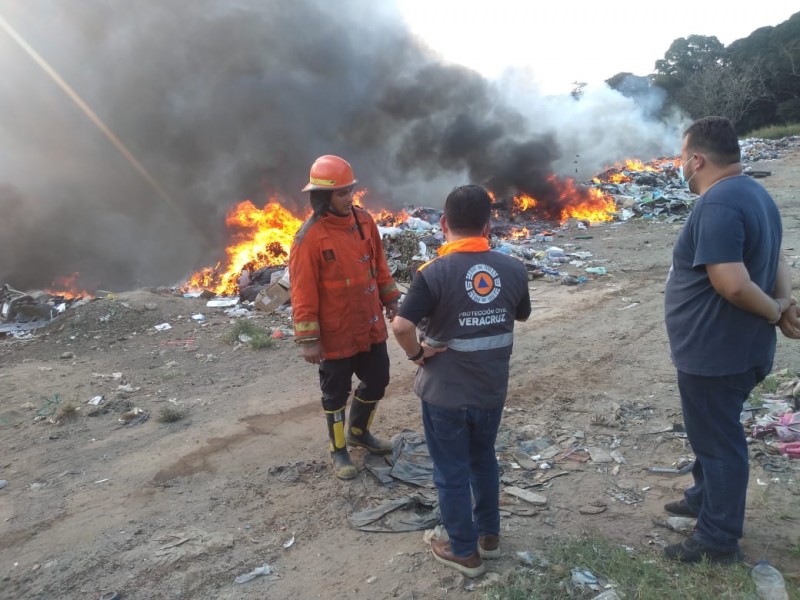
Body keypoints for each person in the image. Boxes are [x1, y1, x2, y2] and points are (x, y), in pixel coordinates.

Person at [663, 116, 800, 564]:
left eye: (682, 159)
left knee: (719, 442)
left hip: (716, 352)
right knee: (711, 433)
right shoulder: (755, 192)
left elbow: (732, 284)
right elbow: (776, 253)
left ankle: (717, 540)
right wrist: (783, 299)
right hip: (734, 348)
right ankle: (704, 497)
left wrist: (776, 310)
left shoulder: (718, 203)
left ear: (696, 159)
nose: (680, 167)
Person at [392, 185, 531, 577]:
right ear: (488, 225)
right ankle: (489, 536)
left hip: (445, 396)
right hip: (490, 391)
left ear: (443, 223)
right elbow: (520, 316)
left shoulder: (432, 274)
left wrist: (418, 354)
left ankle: (463, 550)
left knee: (451, 470)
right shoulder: (514, 268)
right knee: (483, 459)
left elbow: (401, 326)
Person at [289, 155, 400, 480]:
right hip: (335, 333)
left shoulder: (365, 222)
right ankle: (339, 450)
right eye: (341, 193)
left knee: (378, 380)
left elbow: (378, 265)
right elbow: (302, 292)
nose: (348, 197)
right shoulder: (308, 238)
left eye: (349, 190)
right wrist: (309, 339)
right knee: (335, 395)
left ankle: (359, 432)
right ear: (323, 197)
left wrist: (391, 299)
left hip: (368, 325)